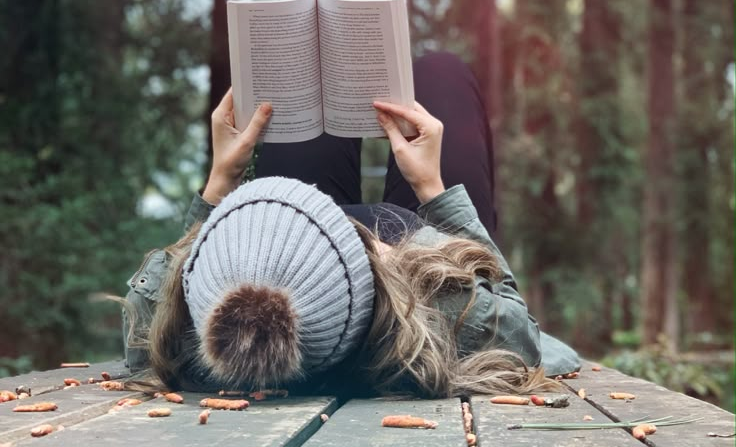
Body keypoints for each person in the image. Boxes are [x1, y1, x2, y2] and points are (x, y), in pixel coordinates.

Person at [122, 52, 579, 396]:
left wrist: (222, 178)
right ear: (371, 267)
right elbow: (521, 332)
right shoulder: (444, 313)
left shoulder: (189, 337)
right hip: (412, 255)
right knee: (442, 74)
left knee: (300, 104)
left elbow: (146, 317)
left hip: (337, 281)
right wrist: (434, 191)